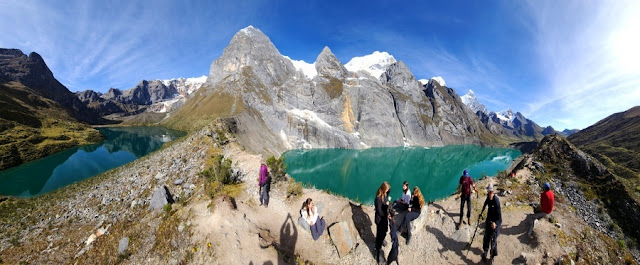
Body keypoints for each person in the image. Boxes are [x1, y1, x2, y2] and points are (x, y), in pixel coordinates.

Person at [480, 183, 502, 263]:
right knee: (486, 237)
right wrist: (481, 212)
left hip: (496, 222)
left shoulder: (496, 201)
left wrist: (495, 223)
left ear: (493, 192)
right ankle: (485, 253)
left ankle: (492, 257)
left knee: (493, 240)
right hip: (489, 220)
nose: (490, 193)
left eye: (491, 192)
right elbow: (485, 203)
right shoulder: (488, 198)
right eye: (489, 192)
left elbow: (499, 216)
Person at [374, 181, 391, 262]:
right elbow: (379, 211)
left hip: (383, 219)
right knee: (380, 234)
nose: (388, 191)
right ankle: (377, 252)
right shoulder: (378, 199)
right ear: (384, 189)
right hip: (380, 219)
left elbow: (382, 209)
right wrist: (387, 214)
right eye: (387, 189)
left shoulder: (384, 195)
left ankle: (382, 240)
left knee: (384, 231)